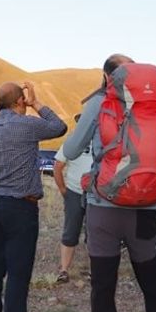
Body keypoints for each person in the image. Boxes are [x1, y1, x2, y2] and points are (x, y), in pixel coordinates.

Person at [60, 54, 156, 312]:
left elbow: (71, 150)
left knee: (103, 289)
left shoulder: (99, 104)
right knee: (153, 285)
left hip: (104, 209)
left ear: (107, 77)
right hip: (145, 210)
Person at [0, 81, 67, 312]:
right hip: (21, 206)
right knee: (18, 270)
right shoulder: (26, 125)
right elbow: (59, 127)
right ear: (19, 101)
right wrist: (36, 103)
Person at [52, 113, 92, 283]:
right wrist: (63, 189)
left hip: (96, 193)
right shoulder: (72, 142)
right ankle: (64, 270)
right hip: (75, 191)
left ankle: (95, 270)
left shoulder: (103, 141)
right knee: (70, 231)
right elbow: (58, 165)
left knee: (95, 233)